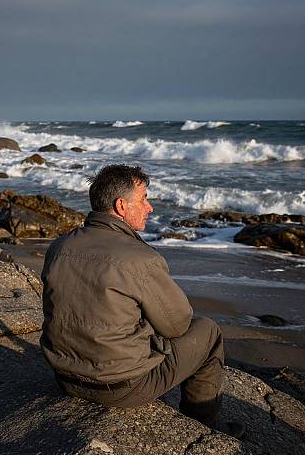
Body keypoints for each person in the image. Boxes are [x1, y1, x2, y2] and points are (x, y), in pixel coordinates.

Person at [40, 164, 244, 438]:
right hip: (122, 388)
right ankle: (206, 425)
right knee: (208, 331)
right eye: (144, 199)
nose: (150, 208)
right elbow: (178, 325)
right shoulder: (140, 258)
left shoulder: (59, 247)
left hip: (65, 378)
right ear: (121, 206)